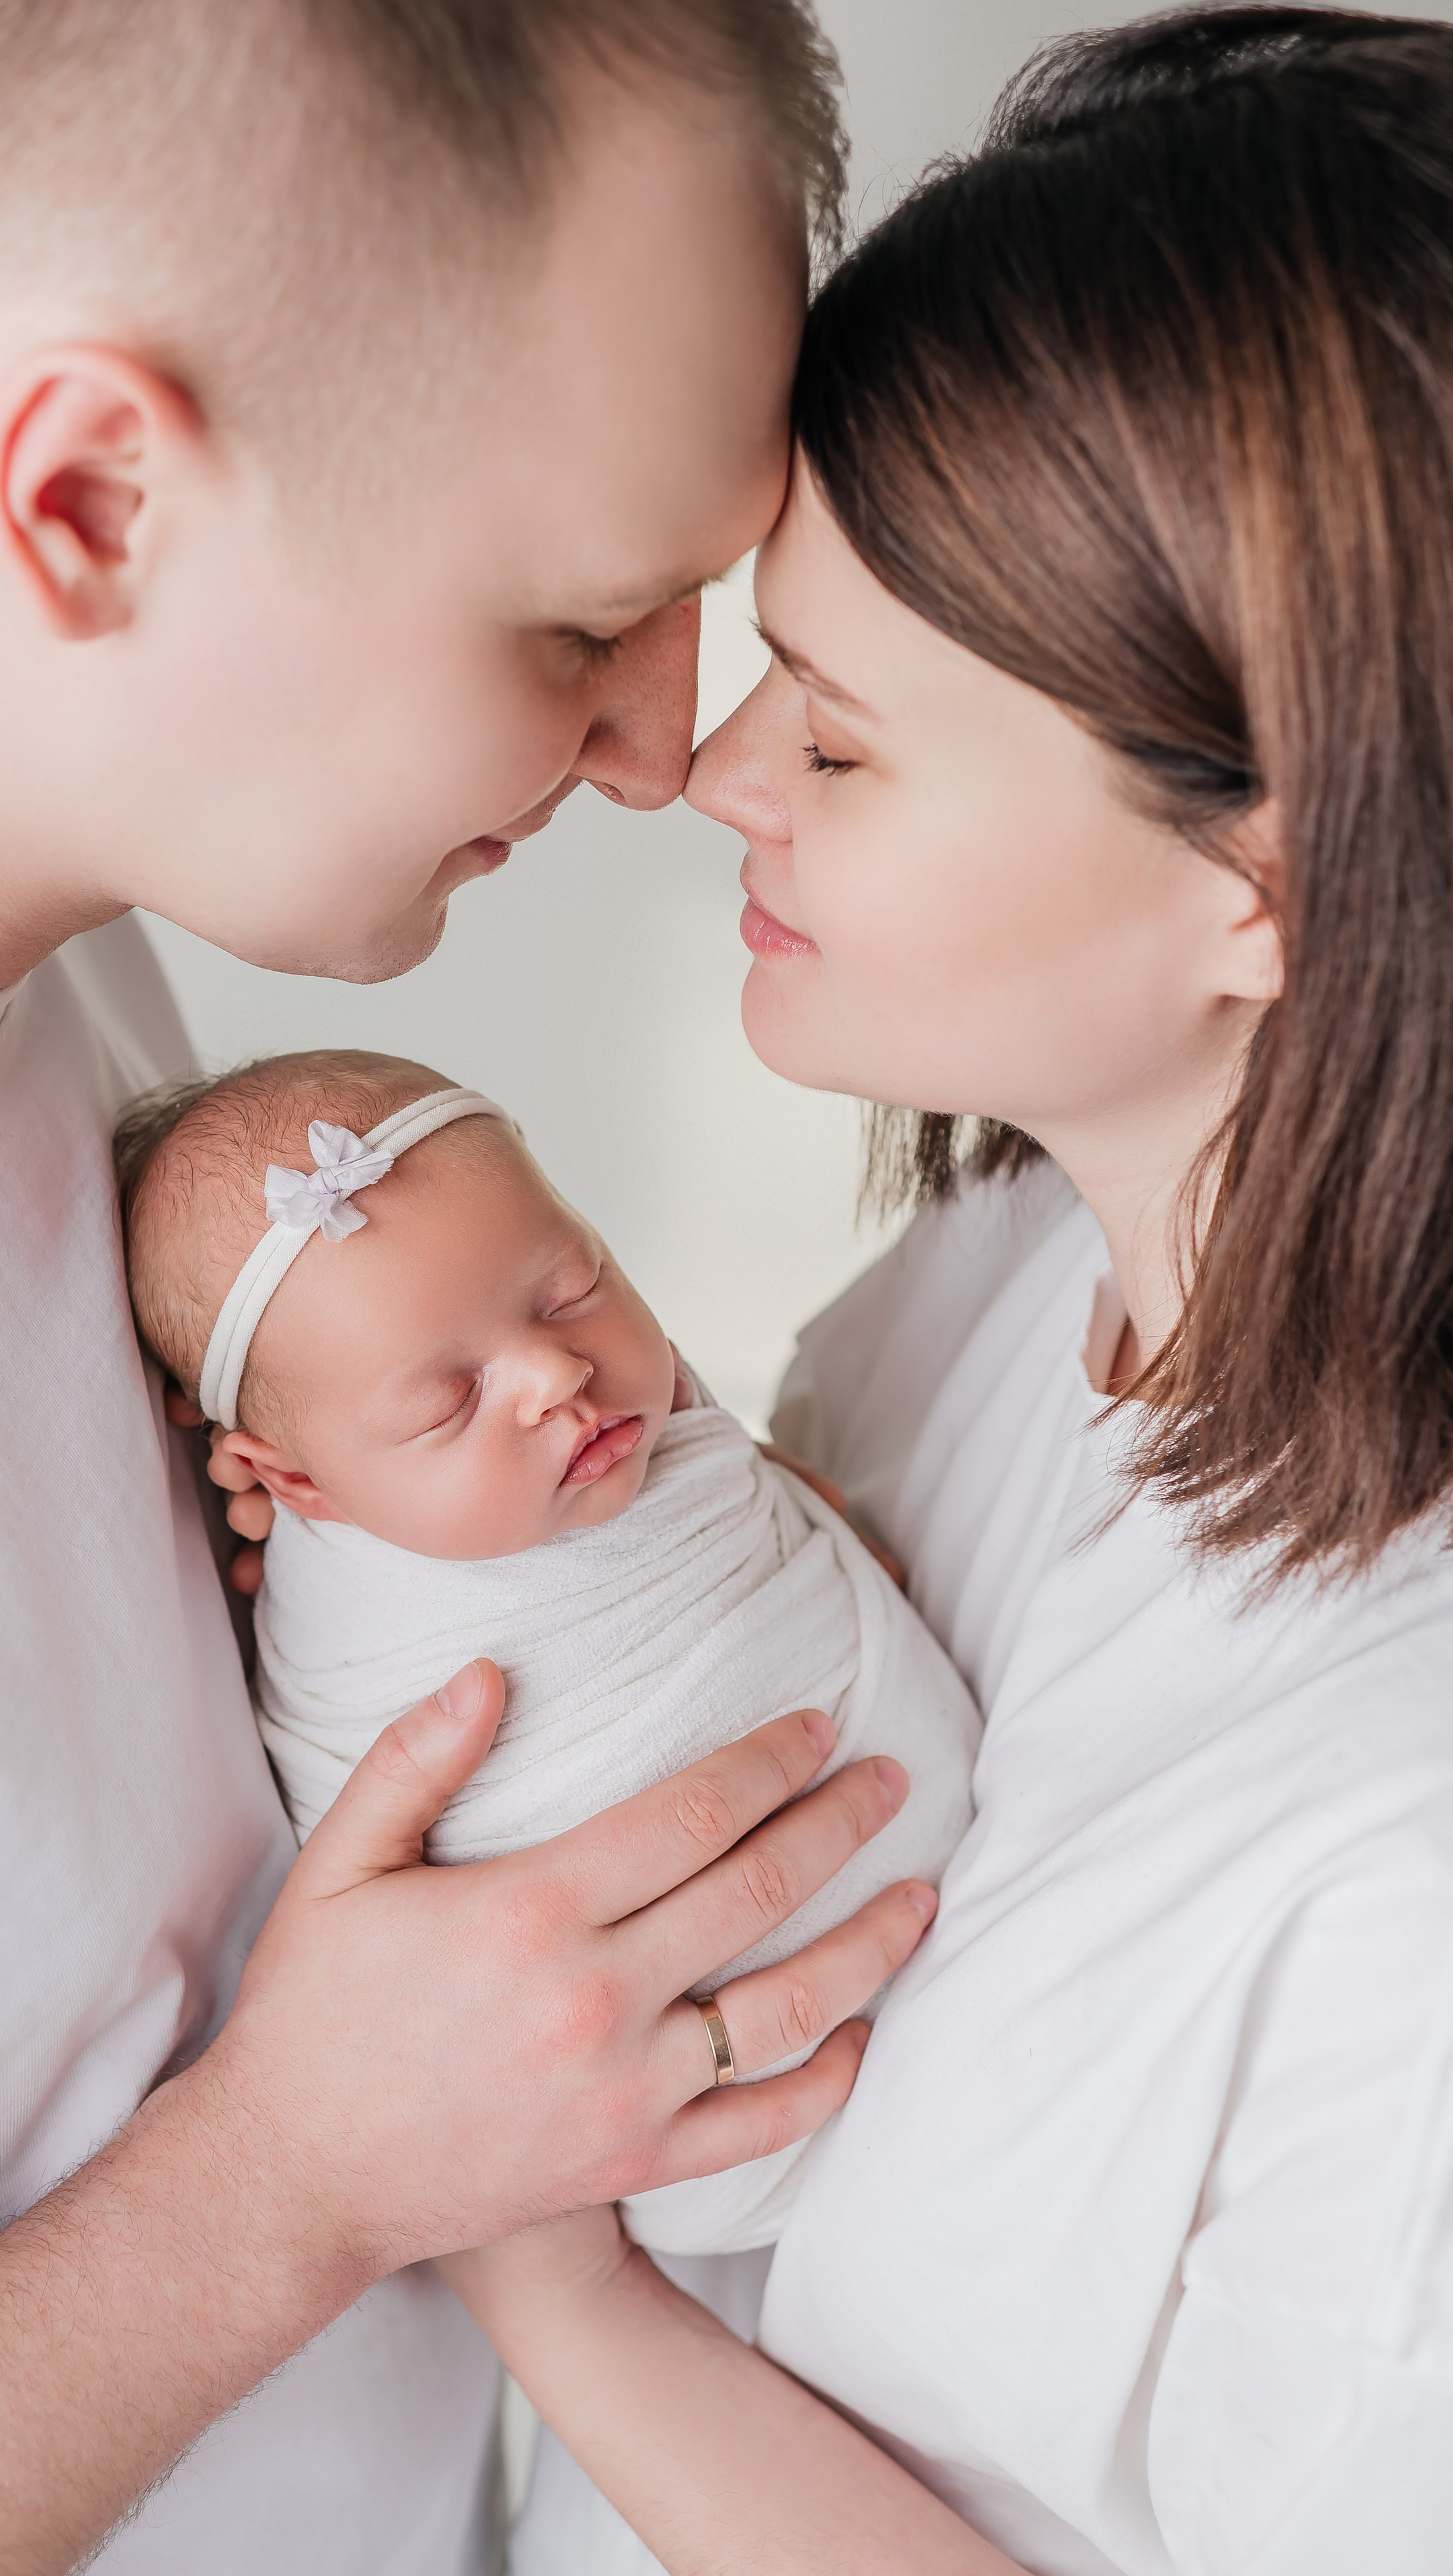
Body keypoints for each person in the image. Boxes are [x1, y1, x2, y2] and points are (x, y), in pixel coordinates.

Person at [0, 6, 938, 2571]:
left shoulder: (63, 986)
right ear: (88, 500)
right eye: (578, 619)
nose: (658, 745)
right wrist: (281, 2188)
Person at [444, 15, 1453, 2575]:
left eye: (853, 740)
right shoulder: (987, 1299)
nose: (711, 765)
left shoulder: (1408, 1852)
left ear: (1274, 880)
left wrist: (527, 2261)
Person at [114, 1046, 978, 2255]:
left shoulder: (626, 1410)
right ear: (296, 1482)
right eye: (445, 1405)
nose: (556, 1374)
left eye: (572, 1288)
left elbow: (722, 1472)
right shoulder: (354, 1645)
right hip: (719, 2096)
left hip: (986, 1902)